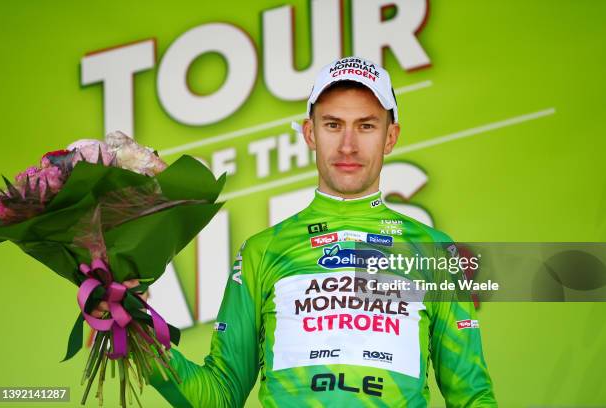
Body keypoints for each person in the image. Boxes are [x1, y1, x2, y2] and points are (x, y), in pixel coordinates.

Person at [92, 57, 497, 407]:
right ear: (310, 133)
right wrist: (136, 329)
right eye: (333, 124)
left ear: (391, 137)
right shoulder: (261, 252)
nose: (349, 145)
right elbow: (218, 395)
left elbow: (472, 397)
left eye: (367, 126)